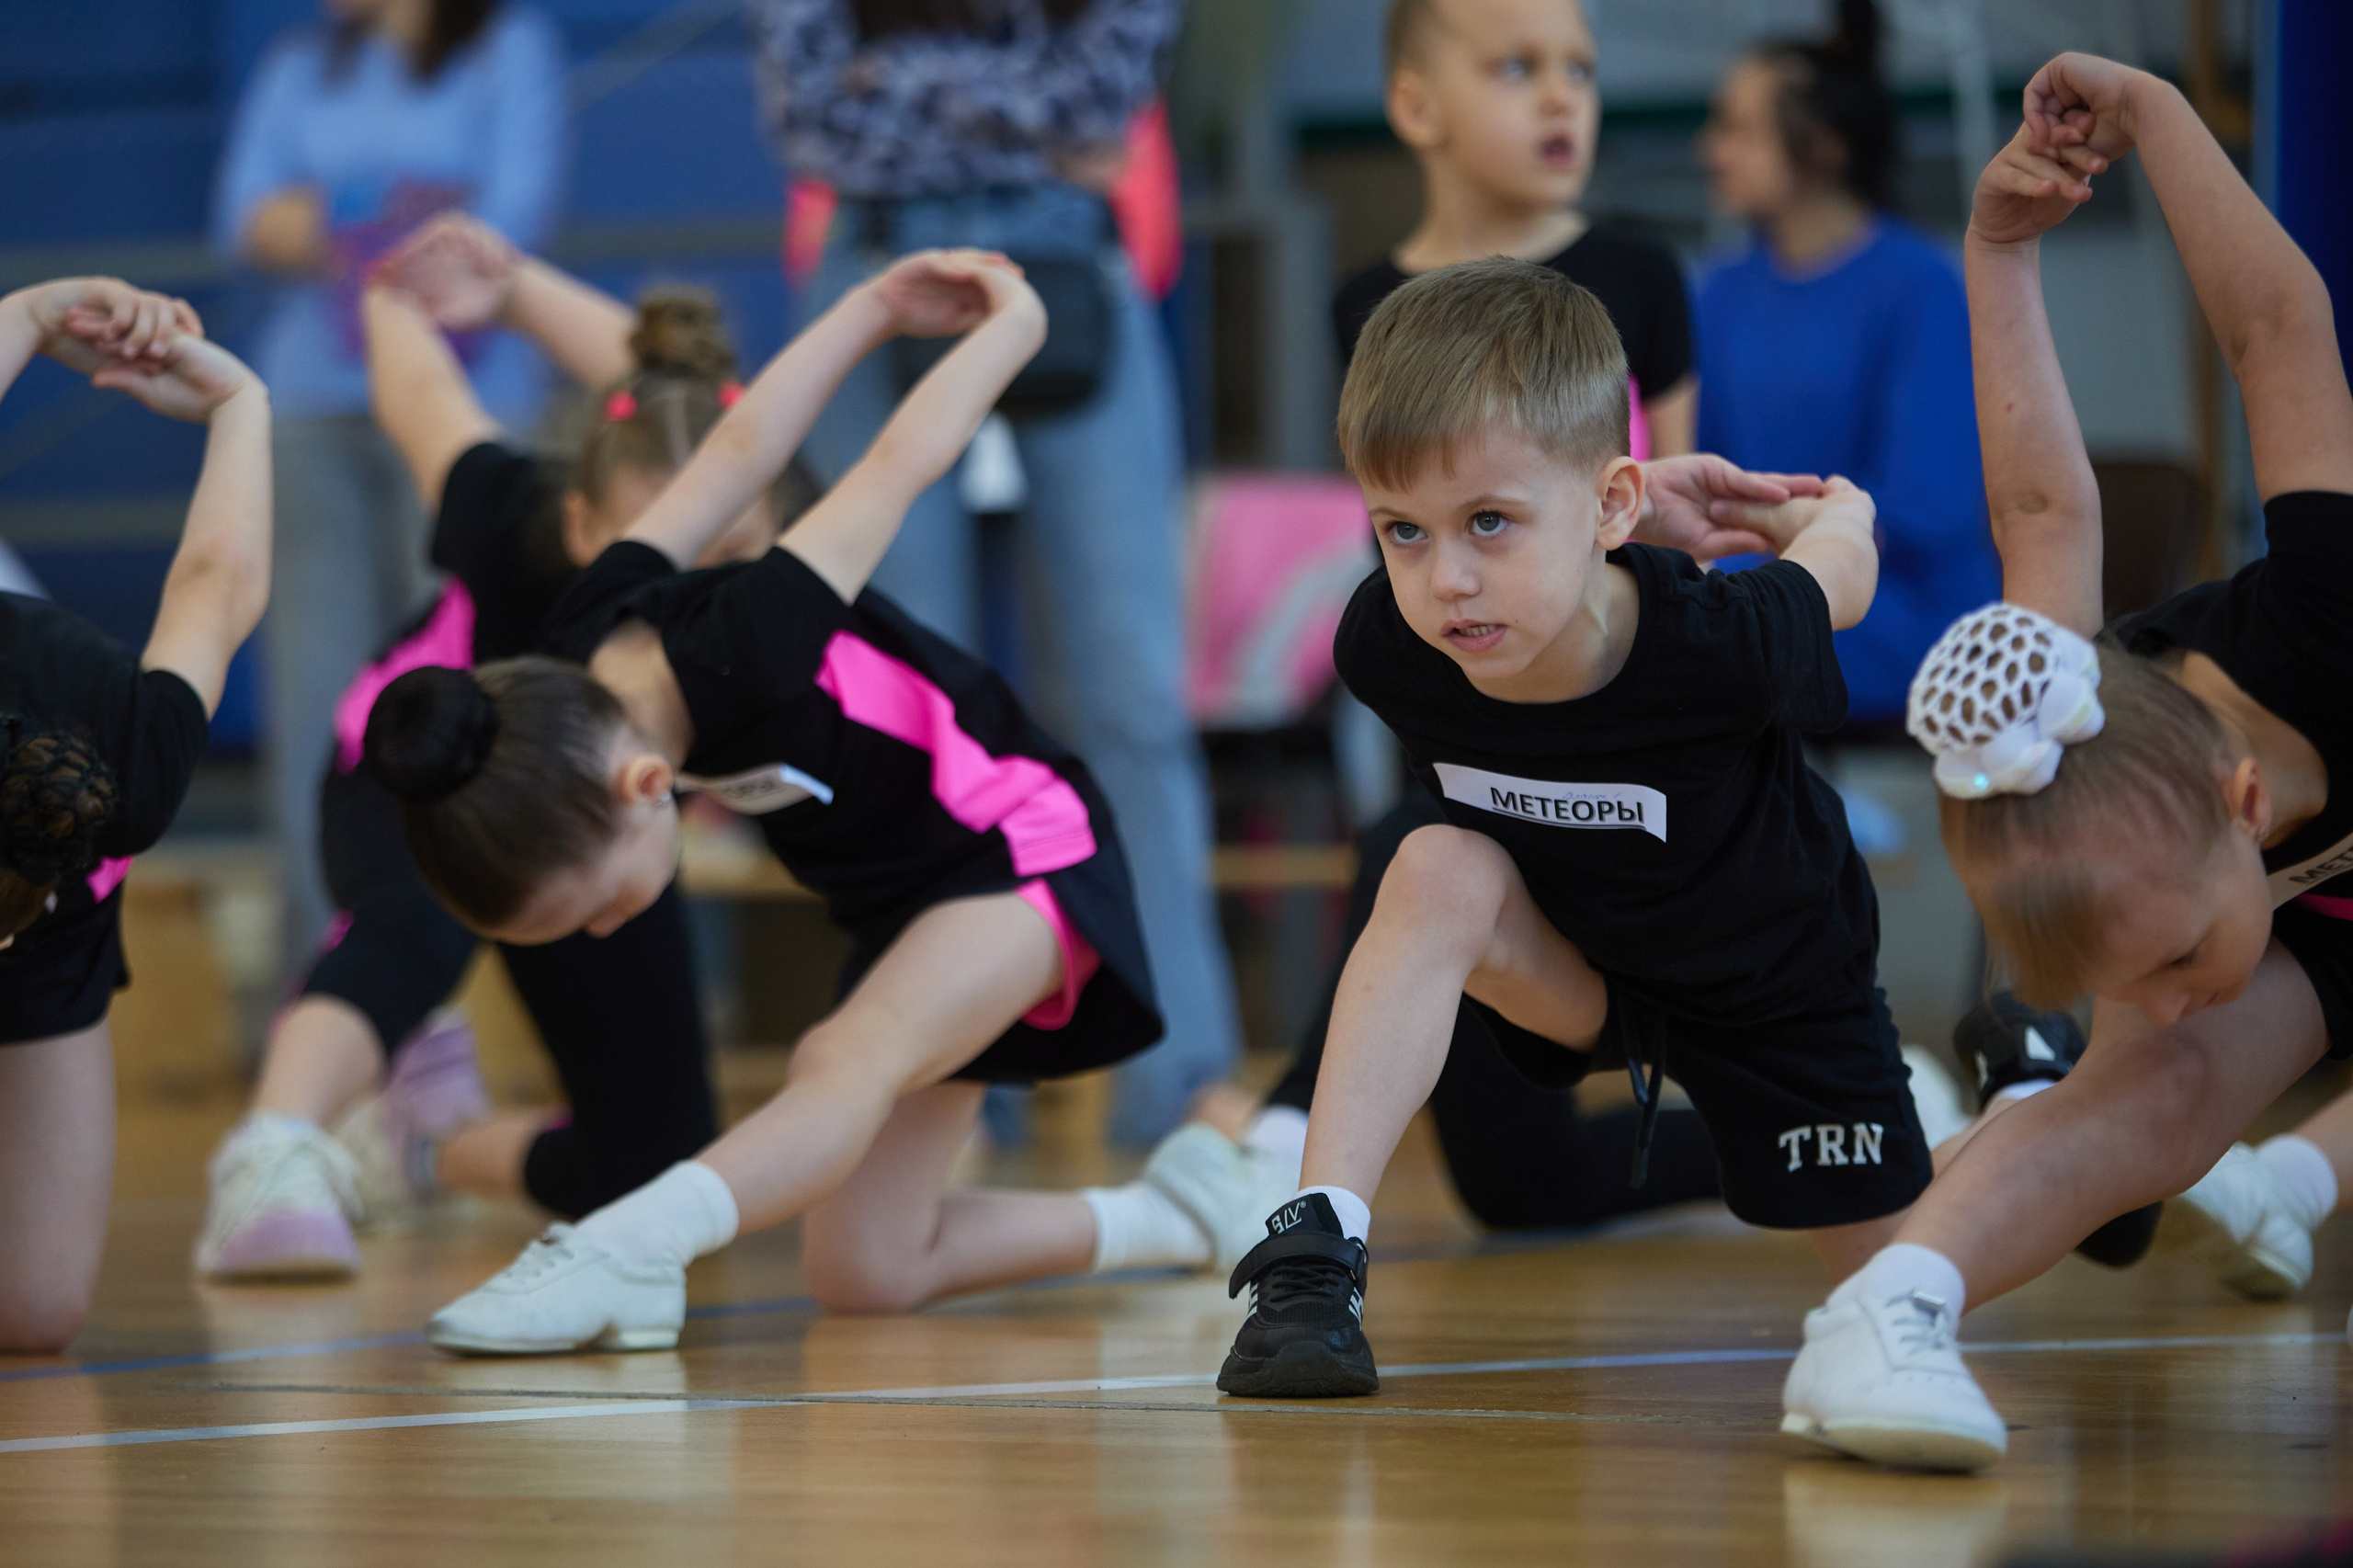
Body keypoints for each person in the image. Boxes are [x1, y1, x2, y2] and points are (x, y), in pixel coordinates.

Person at [352, 250, 1236, 1354]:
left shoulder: (749, 641)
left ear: (640, 786)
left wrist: (999, 326)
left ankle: (624, 1243)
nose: (606, 930)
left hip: (1019, 845)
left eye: (594, 905)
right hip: (907, 906)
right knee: (867, 1266)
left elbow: (894, 460)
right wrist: (867, 308)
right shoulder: (585, 633)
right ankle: (1192, 1211)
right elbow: (730, 451)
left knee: (839, 1060)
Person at [1779, 52, 2353, 1472]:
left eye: (2163, 961)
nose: (2157, 1000)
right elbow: (2035, 495)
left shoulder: (2333, 613)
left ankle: (2286, 1179)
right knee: (2148, 1095)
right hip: (2322, 906)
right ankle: (1882, 1312)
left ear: (2247, 806)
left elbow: (2278, 329)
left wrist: (2157, 119)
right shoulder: (2065, 722)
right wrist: (1995, 244)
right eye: (2125, 979)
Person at [1211, 256, 1915, 1401]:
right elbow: (1523, 531)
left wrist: (1842, 512)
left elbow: (1834, 579)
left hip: (1777, 992)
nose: (1445, 580)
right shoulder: (1388, 648)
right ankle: (1313, 1251)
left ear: (1612, 505)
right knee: (1429, 858)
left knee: (1894, 1309)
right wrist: (1572, 514)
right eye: (1402, 529)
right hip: (1578, 976)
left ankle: (2031, 1119)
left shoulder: (1717, 639)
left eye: (1489, 522)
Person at [193, 215, 787, 1280]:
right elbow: (421, 399)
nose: (697, 582)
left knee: (655, 1155)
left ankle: (421, 1144)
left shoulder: (774, 580)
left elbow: (679, 385)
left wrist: (514, 288)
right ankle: (272, 1149)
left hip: (597, 817)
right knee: (413, 919)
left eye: (732, 546)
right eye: (662, 549)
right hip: (428, 753)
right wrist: (394, 295)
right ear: (577, 528)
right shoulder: (513, 523)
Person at [751, 0, 1239, 1145]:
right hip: (880, 278)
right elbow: (808, 117)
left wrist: (901, 87)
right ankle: (947, 1073)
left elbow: (1107, 93)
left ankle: (1177, 1082)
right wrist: (1018, 113)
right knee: (902, 712)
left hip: (1070, 274)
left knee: (1130, 698)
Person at [212, 0, 565, 983]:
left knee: (467, 695)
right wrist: (395, 210)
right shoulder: (299, 66)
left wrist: (332, 215)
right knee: (314, 710)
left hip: (464, 415)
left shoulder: (510, 52)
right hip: (311, 412)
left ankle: (447, 994)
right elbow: (246, 217)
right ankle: (322, 991)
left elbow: (506, 224)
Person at [0, 278, 270, 1348]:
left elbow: (219, 583)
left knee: (35, 1306)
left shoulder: (126, 756)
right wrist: (22, 319)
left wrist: (239, 404)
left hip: (59, 943)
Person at [1695, 0, 1997, 735]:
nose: (1712, 150)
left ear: (1823, 147)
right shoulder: (1719, 291)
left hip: (1904, 613)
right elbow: (1693, 469)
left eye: (1737, 127)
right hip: (1759, 590)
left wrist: (1786, 549)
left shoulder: (1918, 285)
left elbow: (1929, 500)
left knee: (1689, 635)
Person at [1332, 0, 1695, 458]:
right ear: (1417, 108)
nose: (1563, 98)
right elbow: (1389, 504)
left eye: (1580, 70)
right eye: (1518, 68)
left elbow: (1677, 499)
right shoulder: (1364, 306)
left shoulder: (1642, 273)